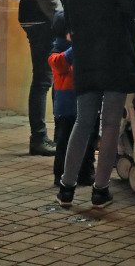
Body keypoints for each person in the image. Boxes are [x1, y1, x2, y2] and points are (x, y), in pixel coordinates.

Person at [56, 0, 135, 209]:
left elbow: (65, 13)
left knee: (83, 120)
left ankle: (66, 187)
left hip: (85, 53)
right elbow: (131, 4)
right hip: (115, 52)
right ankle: (100, 190)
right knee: (109, 125)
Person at [19, 0, 84, 156]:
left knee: (52, 76)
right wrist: (60, 17)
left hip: (45, 16)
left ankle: (57, 133)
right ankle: (39, 137)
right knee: (45, 78)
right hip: (41, 18)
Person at [48, 13, 96, 188]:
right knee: (64, 144)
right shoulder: (58, 52)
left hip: (81, 103)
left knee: (88, 141)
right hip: (66, 109)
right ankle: (60, 175)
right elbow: (59, 63)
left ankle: (85, 173)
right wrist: (76, 47)